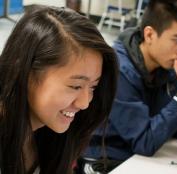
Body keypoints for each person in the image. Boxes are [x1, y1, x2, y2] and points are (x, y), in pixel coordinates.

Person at [83, 0, 177, 173]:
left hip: (139, 159)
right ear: (150, 35)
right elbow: (145, 142)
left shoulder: (165, 66)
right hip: (105, 162)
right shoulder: (119, 70)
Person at [0, 5, 118, 174]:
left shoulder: (52, 133)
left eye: (93, 87)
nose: (85, 103)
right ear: (26, 73)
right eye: (75, 86)